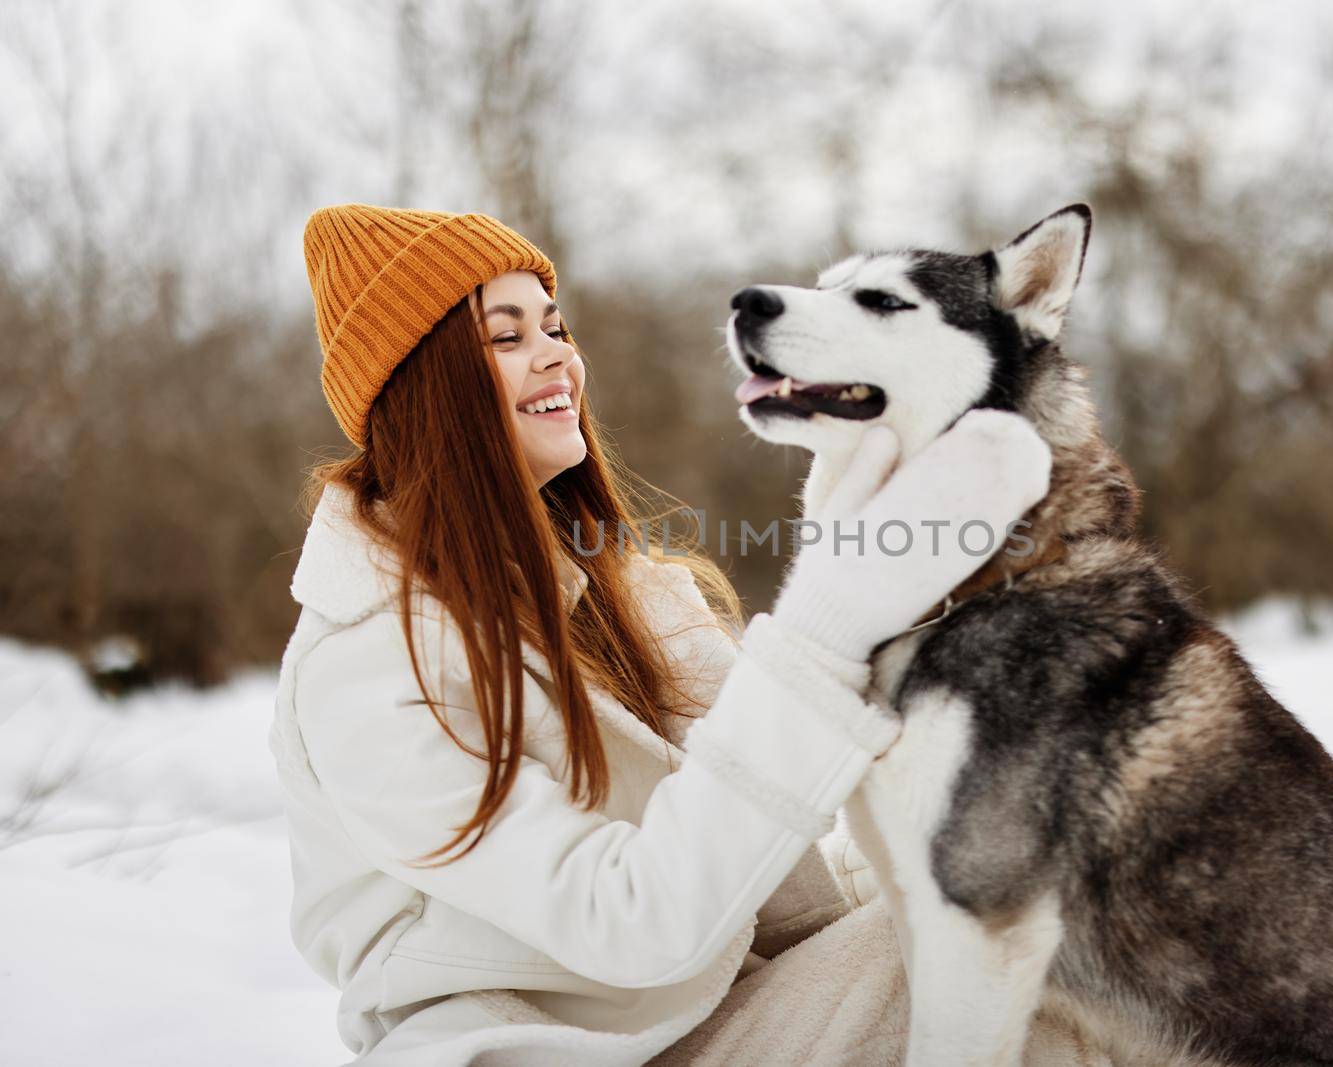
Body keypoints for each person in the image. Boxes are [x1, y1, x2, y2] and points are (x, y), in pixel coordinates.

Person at [270, 204, 1053, 1065]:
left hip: (725, 1007)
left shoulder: (622, 594)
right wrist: (824, 622)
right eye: (506, 336)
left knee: (1053, 895)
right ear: (428, 386)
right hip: (544, 1049)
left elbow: (783, 875)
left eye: (555, 324)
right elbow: (633, 921)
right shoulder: (369, 665)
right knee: (1016, 950)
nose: (558, 354)